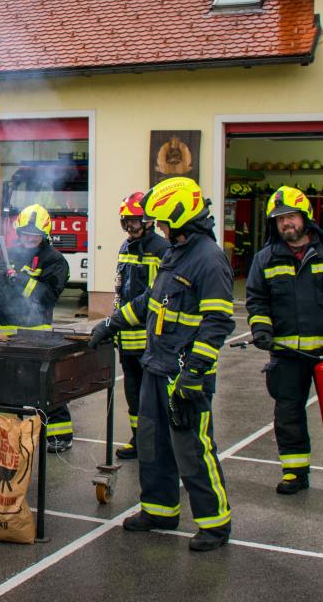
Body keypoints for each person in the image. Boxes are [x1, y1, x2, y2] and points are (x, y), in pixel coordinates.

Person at [89, 177, 234, 552]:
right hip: (156, 365)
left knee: (192, 449)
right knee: (153, 445)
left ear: (182, 219)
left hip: (184, 374)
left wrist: (194, 373)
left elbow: (217, 323)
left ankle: (214, 524)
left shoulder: (208, 259)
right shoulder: (177, 252)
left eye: (166, 223)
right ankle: (159, 511)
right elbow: (150, 301)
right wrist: (111, 323)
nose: (162, 229)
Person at [245, 186, 323, 502]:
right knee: (288, 415)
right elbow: (257, 299)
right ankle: (295, 472)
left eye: (291, 216)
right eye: (279, 219)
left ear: (306, 217)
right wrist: (261, 329)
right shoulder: (265, 259)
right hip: (287, 354)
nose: (286, 223)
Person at [0, 204, 73, 453]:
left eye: (34, 234)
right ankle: (9, 434)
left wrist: (21, 280)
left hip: (36, 334)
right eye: (25, 233)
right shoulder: (7, 253)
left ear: (44, 234)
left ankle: (59, 435)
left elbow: (48, 296)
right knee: (5, 386)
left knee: (44, 385)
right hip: (3, 332)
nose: (28, 238)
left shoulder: (54, 260)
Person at [108, 191, 171, 460]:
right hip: (127, 338)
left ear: (148, 221)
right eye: (126, 221)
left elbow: (158, 295)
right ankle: (139, 440)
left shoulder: (161, 249)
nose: (130, 226)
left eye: (134, 221)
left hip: (150, 339)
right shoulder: (125, 247)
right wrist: (114, 323)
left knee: (152, 397)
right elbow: (120, 289)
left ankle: (156, 443)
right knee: (133, 395)